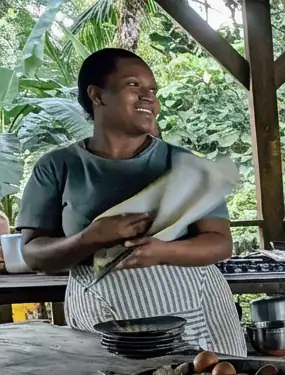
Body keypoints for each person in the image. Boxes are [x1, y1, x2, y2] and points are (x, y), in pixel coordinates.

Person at [16, 48, 244, 354]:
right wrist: (88, 239)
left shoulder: (182, 163)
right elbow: (33, 254)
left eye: (152, 90)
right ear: (97, 95)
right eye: (134, 85)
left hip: (192, 310)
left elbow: (220, 243)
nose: (148, 97)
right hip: (102, 313)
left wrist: (164, 251)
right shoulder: (58, 167)